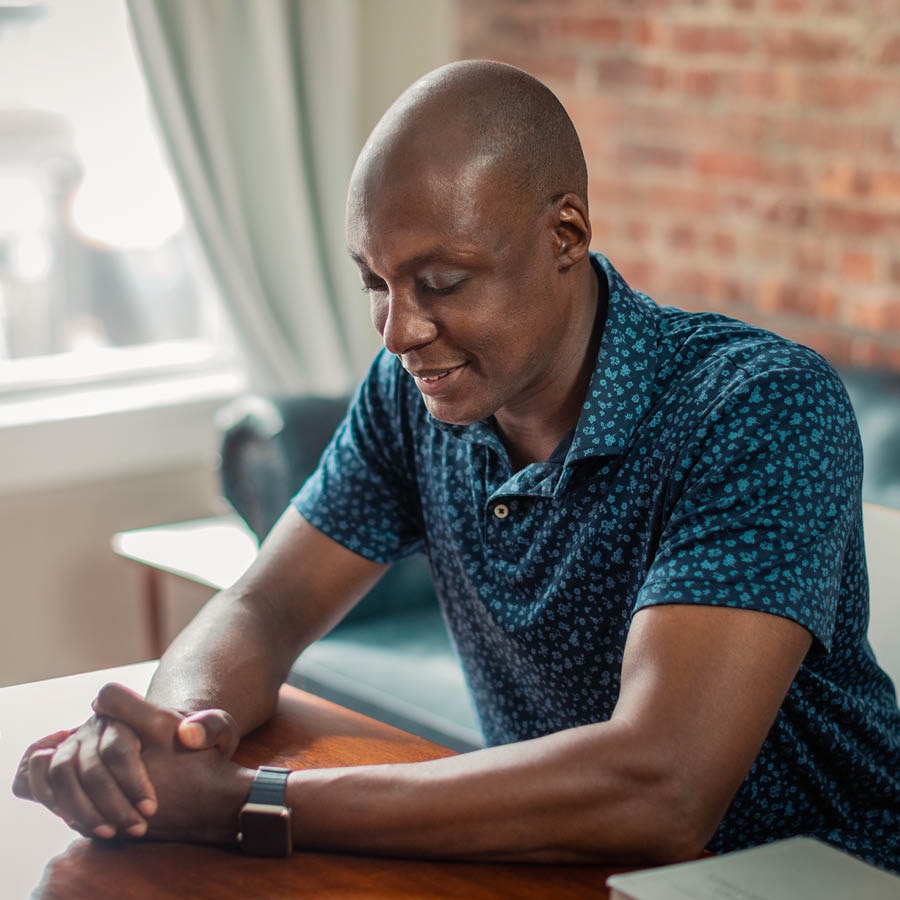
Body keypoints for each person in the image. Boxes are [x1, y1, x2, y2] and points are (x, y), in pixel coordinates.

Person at [14, 60, 900, 871]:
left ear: (566, 234)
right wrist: (169, 743)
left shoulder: (757, 407)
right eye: (375, 281)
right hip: (568, 867)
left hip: (812, 875)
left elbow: (661, 787)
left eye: (440, 282)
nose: (399, 331)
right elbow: (268, 601)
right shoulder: (414, 397)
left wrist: (249, 803)